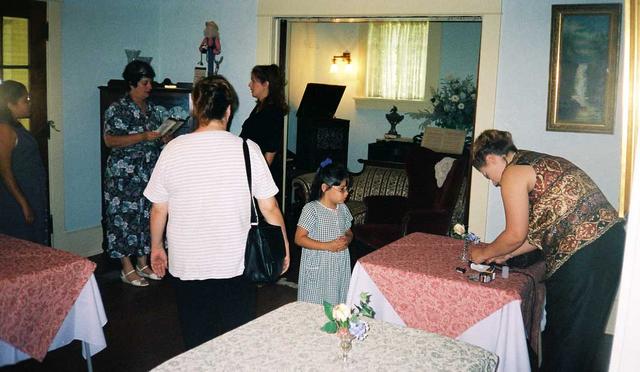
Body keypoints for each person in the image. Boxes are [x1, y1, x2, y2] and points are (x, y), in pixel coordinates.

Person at [144, 75, 290, 349]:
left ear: (194, 107)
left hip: (187, 264)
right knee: (236, 339)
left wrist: (156, 247)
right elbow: (269, 206)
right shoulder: (248, 149)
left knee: (196, 339)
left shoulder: (172, 149)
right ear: (228, 110)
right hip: (236, 264)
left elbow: (158, 209)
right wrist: (282, 246)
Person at [468, 129, 624, 372]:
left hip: (584, 255)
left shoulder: (512, 174)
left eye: (488, 176)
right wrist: (507, 253)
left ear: (490, 159)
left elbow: (515, 234)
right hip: (610, 244)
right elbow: (539, 231)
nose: (495, 182)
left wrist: (484, 252)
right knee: (584, 337)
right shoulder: (535, 160)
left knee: (565, 338)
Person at [103, 60, 164, 287]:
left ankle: (143, 262)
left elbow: (157, 138)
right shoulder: (117, 109)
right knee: (123, 219)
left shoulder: (154, 110)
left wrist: (164, 137)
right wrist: (143, 136)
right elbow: (110, 140)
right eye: (145, 82)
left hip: (148, 173)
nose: (149, 87)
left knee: (144, 217)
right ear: (131, 83)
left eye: (150, 82)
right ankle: (126, 267)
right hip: (123, 175)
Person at [295, 159, 353, 305]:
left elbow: (349, 232)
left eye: (347, 189)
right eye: (342, 189)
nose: (346, 193)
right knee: (315, 303)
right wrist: (328, 246)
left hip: (338, 265)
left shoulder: (343, 209)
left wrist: (347, 239)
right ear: (325, 187)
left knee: (337, 301)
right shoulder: (311, 209)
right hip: (319, 266)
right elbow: (299, 238)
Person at [0, 80, 48, 245]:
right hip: (16, 198)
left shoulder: (17, 127)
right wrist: (23, 203)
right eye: (25, 100)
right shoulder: (4, 130)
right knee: (22, 243)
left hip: (31, 192)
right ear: (10, 104)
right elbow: (5, 171)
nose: (29, 103)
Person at [240, 64, 288, 175]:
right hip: (251, 168)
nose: (249, 84)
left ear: (265, 84)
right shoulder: (260, 108)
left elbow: (271, 149)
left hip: (260, 174)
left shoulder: (273, 112)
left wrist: (260, 177)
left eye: (253, 81)